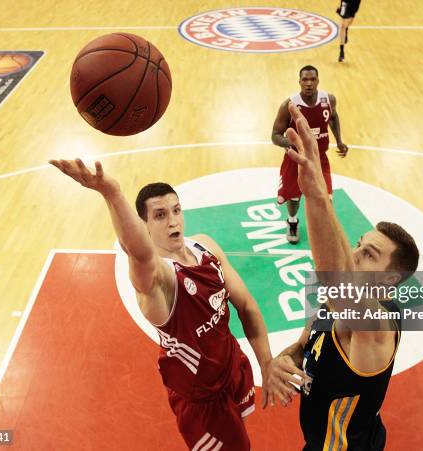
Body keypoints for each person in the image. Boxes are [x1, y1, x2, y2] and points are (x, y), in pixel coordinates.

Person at [48, 159, 273, 451]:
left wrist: (265, 365)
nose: (173, 221)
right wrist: (112, 193)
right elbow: (138, 253)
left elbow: (247, 306)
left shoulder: (204, 246)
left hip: (232, 365)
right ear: (145, 225)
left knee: (240, 431)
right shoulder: (158, 282)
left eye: (176, 211)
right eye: (160, 215)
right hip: (201, 400)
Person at [265, 103, 419, 450]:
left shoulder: (376, 328)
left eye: (369, 255)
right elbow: (305, 346)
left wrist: (315, 191)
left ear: (389, 281)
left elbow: (338, 280)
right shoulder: (331, 304)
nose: (353, 254)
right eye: (358, 244)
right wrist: (282, 361)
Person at [271, 65, 348, 244]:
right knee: (294, 198)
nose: (308, 83)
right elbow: (275, 136)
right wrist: (295, 143)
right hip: (296, 160)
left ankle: (322, 228)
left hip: (319, 157)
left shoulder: (328, 99)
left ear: (318, 81)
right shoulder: (289, 105)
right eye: (305, 80)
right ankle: (292, 221)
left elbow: (334, 117)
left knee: (327, 198)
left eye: (312, 79)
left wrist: (339, 140)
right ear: (299, 82)